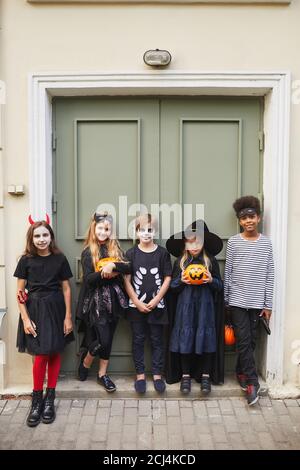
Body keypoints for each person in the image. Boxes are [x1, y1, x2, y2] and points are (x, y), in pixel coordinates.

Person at [14, 217, 74, 427]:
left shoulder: (60, 259)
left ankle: (50, 398)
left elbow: (66, 288)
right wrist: (25, 319)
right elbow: (20, 293)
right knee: (40, 355)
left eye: (45, 235)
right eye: (37, 235)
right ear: (32, 238)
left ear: (51, 237)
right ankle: (36, 400)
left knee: (55, 351)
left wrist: (68, 316)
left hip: (57, 310)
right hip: (35, 311)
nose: (41, 239)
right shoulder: (26, 261)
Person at [224, 196, 274, 406]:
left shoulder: (266, 243)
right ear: (239, 221)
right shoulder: (234, 242)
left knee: (251, 341)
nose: (248, 221)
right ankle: (252, 384)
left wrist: (268, 304)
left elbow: (269, 274)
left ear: (259, 218)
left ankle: (240, 371)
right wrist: (226, 301)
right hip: (236, 300)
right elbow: (228, 272)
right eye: (244, 218)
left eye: (252, 217)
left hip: (257, 302)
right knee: (244, 341)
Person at [165, 220, 224, 395]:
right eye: (190, 241)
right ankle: (185, 376)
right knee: (185, 340)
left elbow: (220, 286)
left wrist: (211, 281)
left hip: (205, 310)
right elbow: (172, 288)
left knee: (205, 340)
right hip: (185, 309)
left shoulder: (210, 261)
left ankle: (205, 376)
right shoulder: (180, 262)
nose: (194, 245)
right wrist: (180, 281)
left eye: (198, 241)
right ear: (185, 243)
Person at [76, 212, 130, 392]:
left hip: (114, 300)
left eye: (107, 229)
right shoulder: (87, 252)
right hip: (96, 301)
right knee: (103, 339)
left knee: (110, 337)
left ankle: (102, 374)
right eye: (100, 228)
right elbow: (90, 279)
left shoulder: (115, 249)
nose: (103, 232)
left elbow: (129, 266)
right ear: (93, 228)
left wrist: (113, 266)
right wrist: (104, 273)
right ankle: (86, 361)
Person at [124, 214, 172, 394]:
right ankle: (140, 375)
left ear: (155, 232)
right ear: (136, 232)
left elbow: (167, 278)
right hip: (136, 306)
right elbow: (127, 280)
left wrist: (157, 299)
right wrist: (136, 301)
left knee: (157, 340)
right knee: (138, 340)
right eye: (142, 230)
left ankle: (157, 374)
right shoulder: (131, 254)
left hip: (157, 306)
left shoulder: (162, 253)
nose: (146, 233)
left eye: (149, 230)